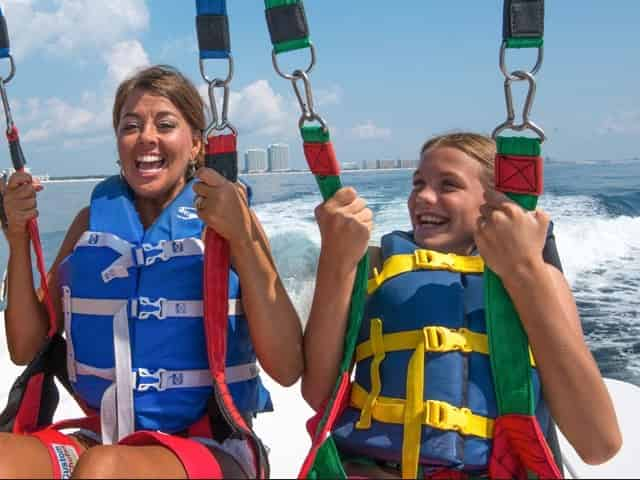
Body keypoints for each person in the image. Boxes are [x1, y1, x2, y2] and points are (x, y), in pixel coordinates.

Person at [0, 65, 303, 478]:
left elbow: (286, 368)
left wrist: (243, 240)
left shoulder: (233, 226)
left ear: (197, 144)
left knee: (105, 469)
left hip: (210, 442)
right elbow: (24, 347)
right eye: (130, 126)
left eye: (165, 124)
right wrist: (17, 238)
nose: (146, 137)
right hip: (101, 436)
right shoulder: (90, 223)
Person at [302, 132, 621, 477]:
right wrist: (336, 261)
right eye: (418, 183)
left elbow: (598, 444)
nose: (423, 197)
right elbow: (318, 394)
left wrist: (523, 271)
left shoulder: (538, 280)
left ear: (494, 201)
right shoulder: (373, 265)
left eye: (448, 185)